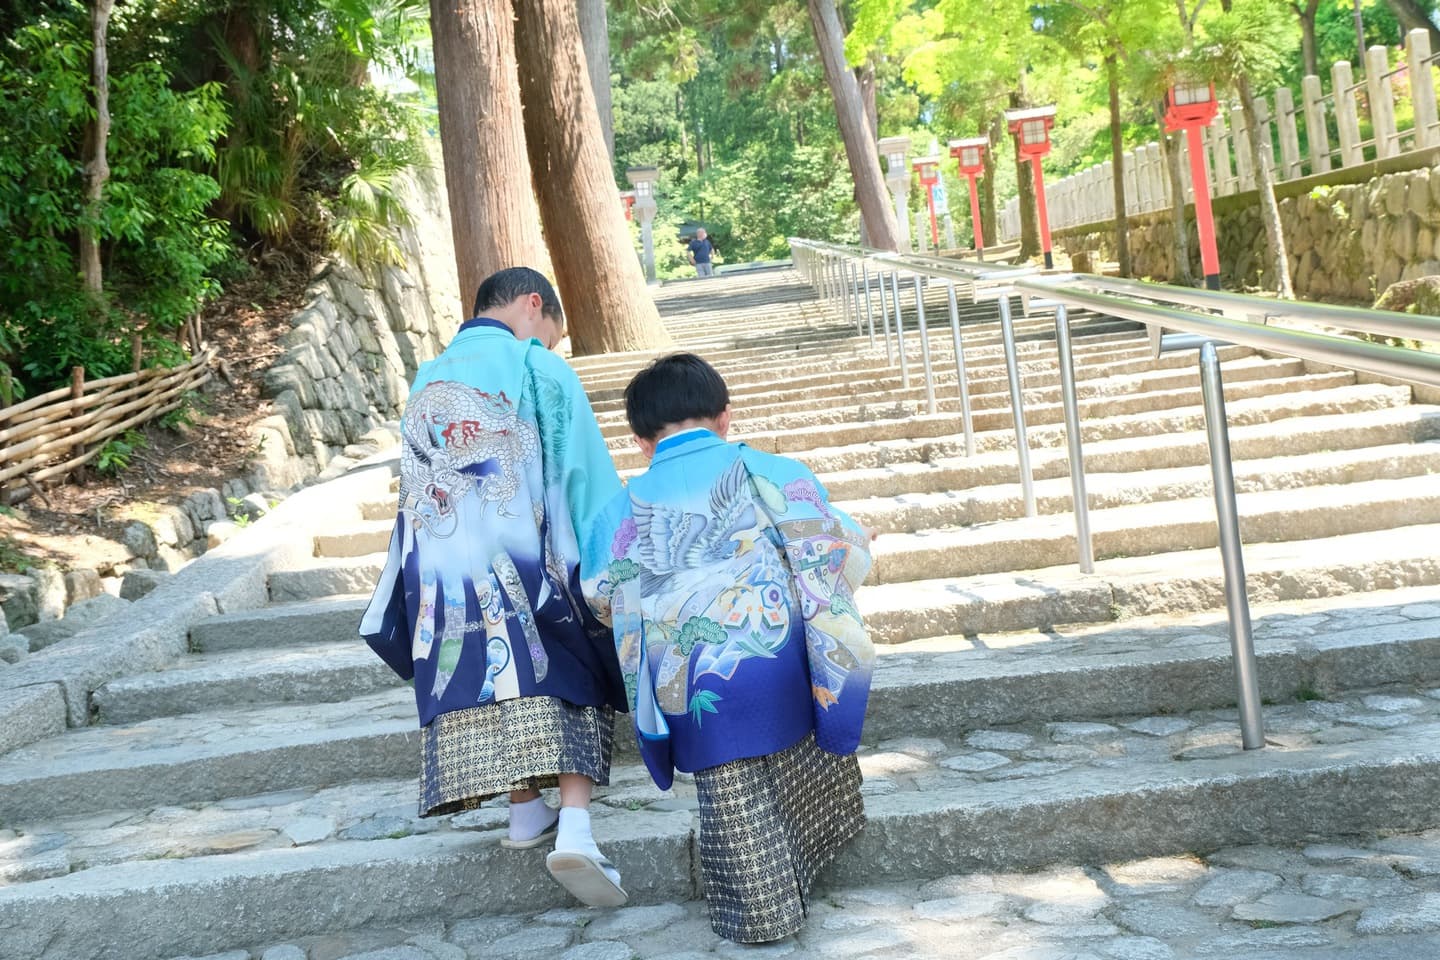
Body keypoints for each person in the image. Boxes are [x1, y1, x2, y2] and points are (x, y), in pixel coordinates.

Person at [580, 353, 874, 943]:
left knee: (730, 788)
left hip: (689, 673)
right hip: (778, 655)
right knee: (800, 758)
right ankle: (804, 869)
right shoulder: (772, 471)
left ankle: (761, 911)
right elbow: (835, 546)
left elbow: (601, 595)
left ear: (640, 441)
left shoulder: (617, 510)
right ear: (724, 417)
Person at [360, 266, 630, 908]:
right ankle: (577, 828)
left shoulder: (427, 379)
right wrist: (611, 560)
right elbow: (583, 476)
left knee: (486, 671)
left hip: (445, 575)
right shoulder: (539, 369)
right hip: (527, 560)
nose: (551, 345)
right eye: (553, 333)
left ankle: (522, 809)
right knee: (563, 666)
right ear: (534, 306)